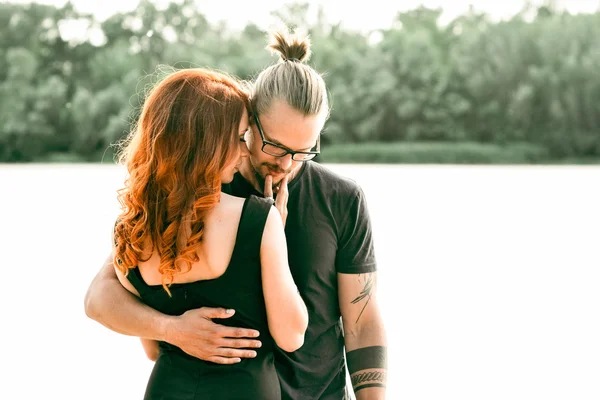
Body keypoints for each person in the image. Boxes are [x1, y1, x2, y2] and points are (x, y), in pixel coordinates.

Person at [85, 29, 388, 399]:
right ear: (248, 120)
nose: (286, 164)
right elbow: (101, 295)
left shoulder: (342, 198)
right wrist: (170, 328)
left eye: (303, 151)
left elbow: (363, 321)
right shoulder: (200, 191)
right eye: (275, 146)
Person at [109, 66, 308, 399]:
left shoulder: (128, 232)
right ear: (206, 143)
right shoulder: (258, 219)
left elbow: (152, 351)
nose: (245, 151)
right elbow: (292, 335)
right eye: (238, 138)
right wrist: (276, 235)